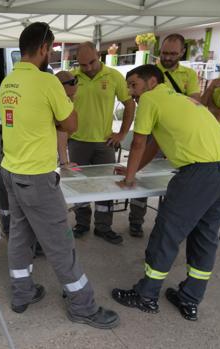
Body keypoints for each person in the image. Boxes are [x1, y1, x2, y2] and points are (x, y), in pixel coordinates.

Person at [0, 22, 119, 328]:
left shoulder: (8, 83)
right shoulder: (48, 83)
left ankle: (22, 293)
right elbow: (70, 125)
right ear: (43, 49)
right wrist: (69, 100)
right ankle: (83, 306)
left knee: (20, 235)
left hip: (11, 172)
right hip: (37, 177)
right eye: (51, 49)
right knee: (60, 244)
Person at [111, 64, 220, 321]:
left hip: (198, 175)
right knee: (205, 235)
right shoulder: (182, 100)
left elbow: (138, 141)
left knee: (166, 234)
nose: (131, 92)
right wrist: (132, 170)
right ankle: (190, 298)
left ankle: (146, 296)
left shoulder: (150, 99)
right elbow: (154, 141)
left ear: (151, 83)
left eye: (134, 85)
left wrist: (128, 180)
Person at [127, 33, 203, 238]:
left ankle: (168, 221)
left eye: (172, 53)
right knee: (141, 179)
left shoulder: (186, 76)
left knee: (175, 185)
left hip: (179, 141)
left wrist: (128, 176)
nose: (168, 57)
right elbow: (144, 144)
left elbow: (195, 101)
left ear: (182, 52)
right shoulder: (149, 74)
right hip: (156, 134)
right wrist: (132, 172)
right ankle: (137, 220)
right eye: (164, 53)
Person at [63, 42, 136, 244]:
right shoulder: (71, 77)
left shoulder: (113, 76)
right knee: (80, 186)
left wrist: (121, 134)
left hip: (104, 144)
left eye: (91, 62)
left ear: (99, 55)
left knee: (107, 187)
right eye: (83, 64)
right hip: (77, 143)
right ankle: (82, 223)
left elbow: (129, 103)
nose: (87, 68)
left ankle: (103, 227)